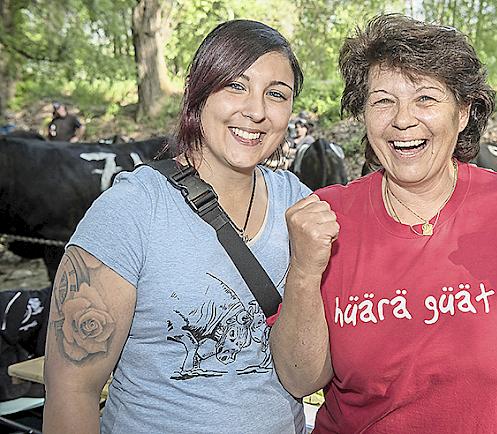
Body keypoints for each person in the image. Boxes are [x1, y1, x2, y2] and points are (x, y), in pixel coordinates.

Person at [270, 14, 497, 433]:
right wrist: (306, 273)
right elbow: (300, 377)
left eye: (425, 98)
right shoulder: (328, 217)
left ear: (463, 112)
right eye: (383, 100)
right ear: (363, 115)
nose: (403, 120)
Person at [43, 20, 309, 434]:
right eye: (235, 85)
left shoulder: (298, 203)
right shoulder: (130, 211)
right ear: (200, 92)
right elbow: (71, 393)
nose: (256, 111)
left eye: (276, 94)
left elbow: (308, 377)